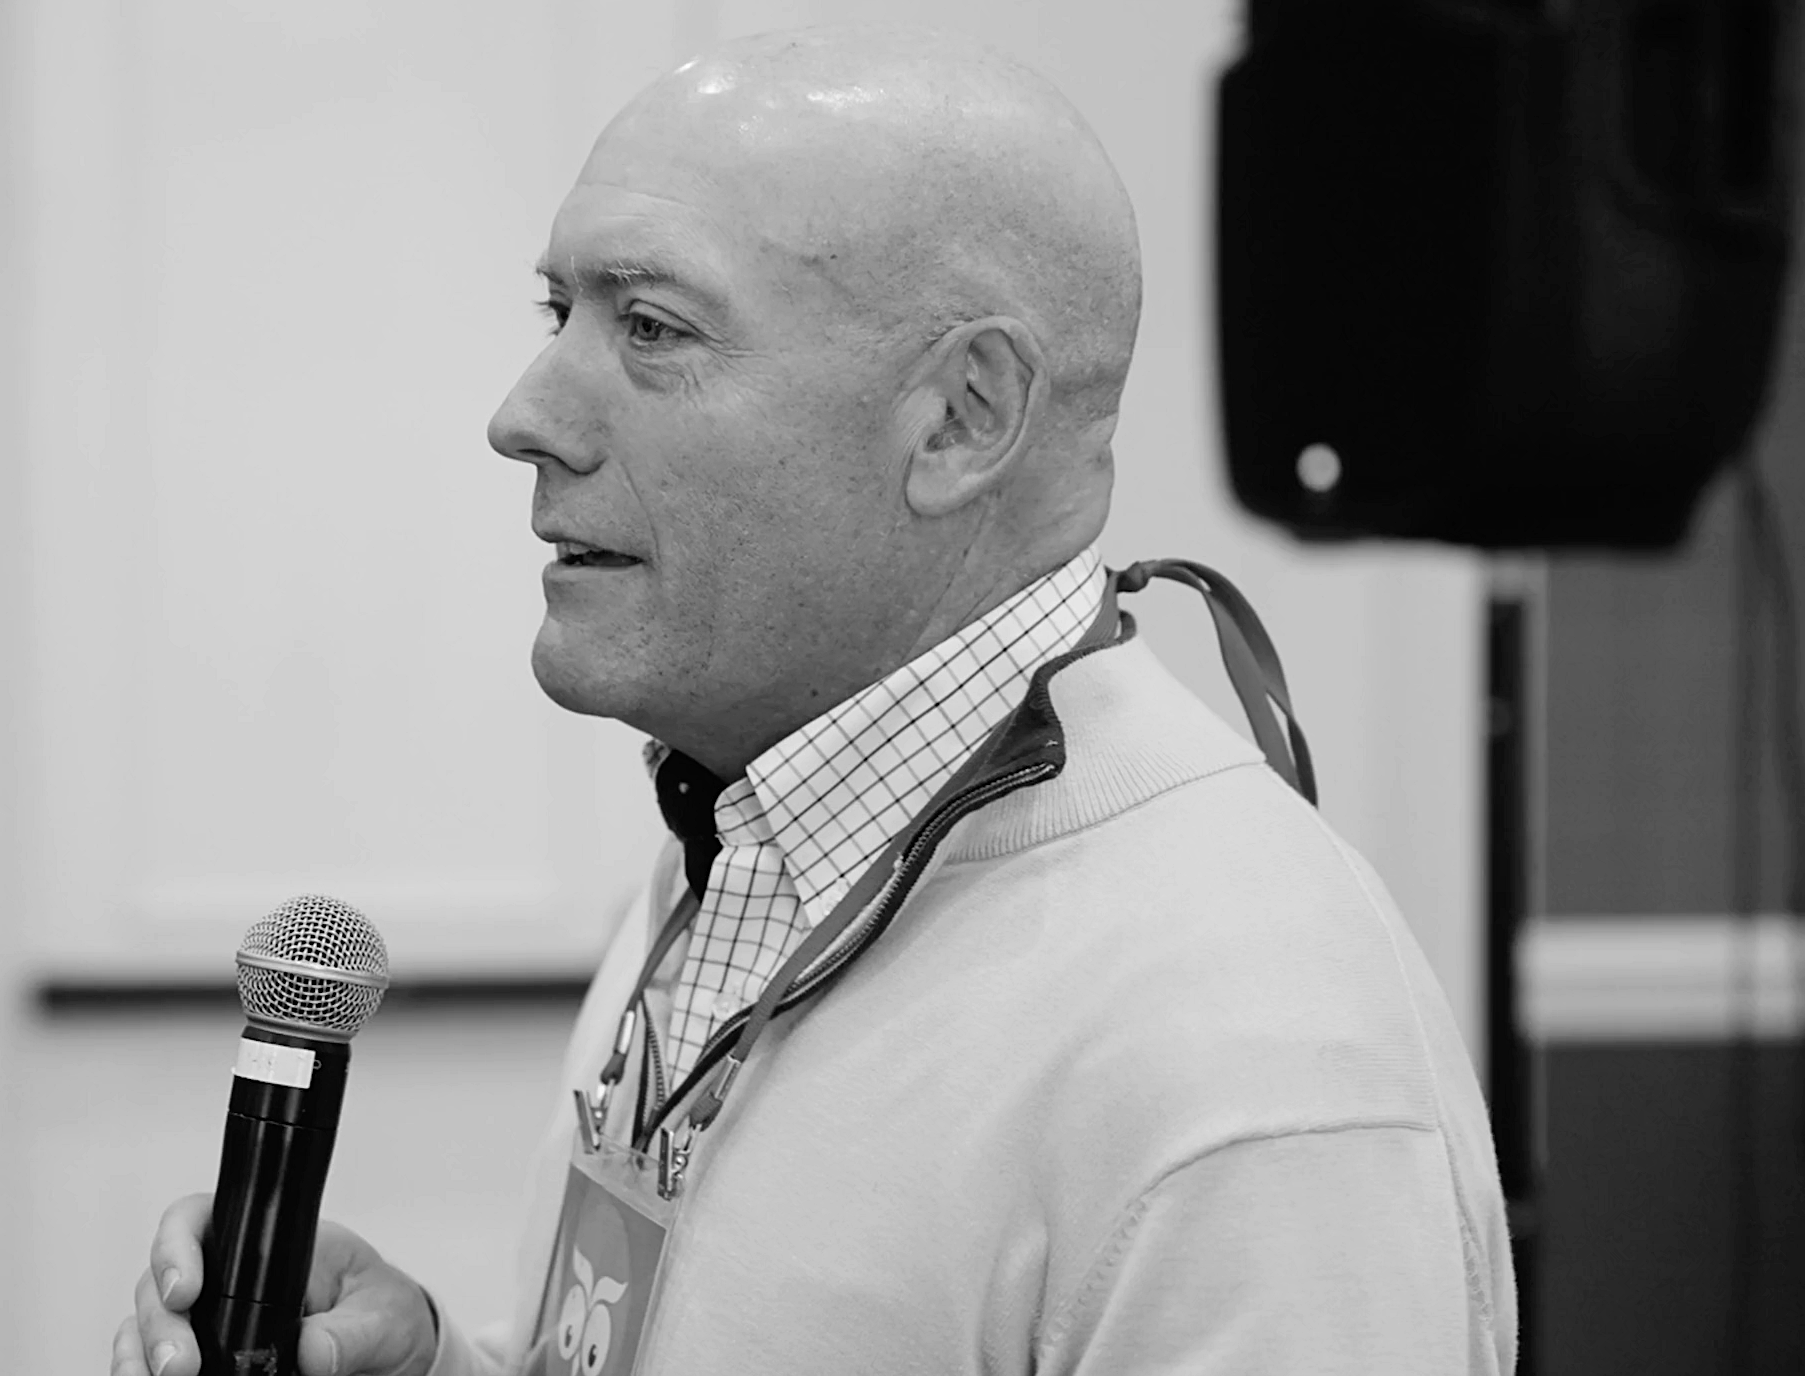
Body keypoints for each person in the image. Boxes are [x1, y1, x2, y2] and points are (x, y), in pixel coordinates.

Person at [116, 25, 1515, 1376]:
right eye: (560, 313)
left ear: (961, 417)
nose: (524, 415)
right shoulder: (744, 832)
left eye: (652, 327)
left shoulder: (1251, 1066)